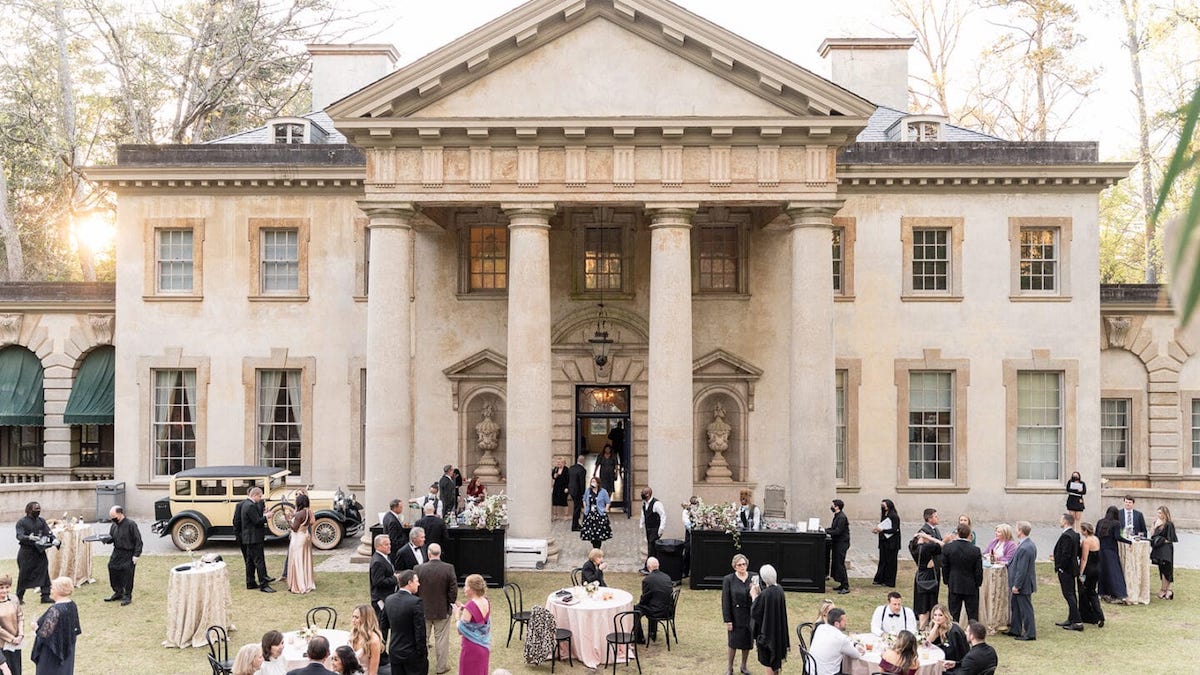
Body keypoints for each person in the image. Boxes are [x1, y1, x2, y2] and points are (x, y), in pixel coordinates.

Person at [415, 543, 457, 675]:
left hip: (423, 610)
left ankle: (421, 667)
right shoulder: (449, 568)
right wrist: (451, 602)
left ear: (428, 554)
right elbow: (453, 589)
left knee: (422, 639)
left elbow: (414, 589)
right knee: (442, 640)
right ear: (440, 553)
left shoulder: (418, 569)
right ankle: (441, 667)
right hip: (442, 610)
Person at [30, 577, 80, 675]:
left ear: (58, 590)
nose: (51, 591)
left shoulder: (55, 610)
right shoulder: (72, 605)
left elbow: (44, 634)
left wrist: (35, 628)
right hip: (67, 648)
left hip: (53, 652)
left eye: (53, 588)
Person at [383, 570, 428, 675]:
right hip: (412, 655)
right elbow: (420, 631)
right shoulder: (416, 602)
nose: (419, 584)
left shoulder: (389, 600)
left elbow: (383, 625)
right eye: (417, 581)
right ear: (409, 582)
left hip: (395, 651)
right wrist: (422, 653)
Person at [749, 564, 788, 675]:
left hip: (767, 633)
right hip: (777, 630)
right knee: (775, 661)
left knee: (769, 662)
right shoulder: (779, 589)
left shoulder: (766, 594)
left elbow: (756, 611)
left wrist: (754, 596)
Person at [234, 487, 275, 593]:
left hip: (249, 538)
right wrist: (267, 517)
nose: (260, 498)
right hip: (254, 538)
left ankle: (250, 582)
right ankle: (263, 585)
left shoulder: (246, 504)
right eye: (260, 496)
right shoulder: (250, 505)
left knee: (250, 561)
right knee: (259, 561)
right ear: (255, 495)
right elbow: (257, 521)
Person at [99, 505, 142, 606]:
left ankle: (127, 595)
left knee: (127, 573)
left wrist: (136, 555)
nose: (112, 519)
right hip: (117, 551)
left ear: (120, 514)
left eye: (114, 516)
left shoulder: (131, 524)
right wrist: (105, 539)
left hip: (128, 552)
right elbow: (112, 538)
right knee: (112, 568)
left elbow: (138, 541)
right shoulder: (114, 525)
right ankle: (118, 592)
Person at [941, 523, 982, 623]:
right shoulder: (975, 550)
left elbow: (945, 566)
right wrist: (978, 583)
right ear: (969, 534)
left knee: (954, 613)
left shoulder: (948, 548)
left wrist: (947, 580)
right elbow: (978, 570)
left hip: (954, 583)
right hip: (971, 585)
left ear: (957, 533)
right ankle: (973, 633)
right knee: (972, 614)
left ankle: (953, 633)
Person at [15, 501, 53, 604]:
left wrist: (53, 539)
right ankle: (19, 597)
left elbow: (48, 533)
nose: (38, 511)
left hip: (40, 552)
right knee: (24, 575)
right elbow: (19, 536)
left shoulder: (41, 521)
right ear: (28, 510)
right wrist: (29, 537)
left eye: (39, 509)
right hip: (26, 553)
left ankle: (45, 596)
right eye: (36, 509)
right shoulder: (21, 522)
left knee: (44, 573)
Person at [721, 554, 753, 675]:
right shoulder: (729, 579)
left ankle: (743, 666)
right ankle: (730, 667)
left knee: (747, 642)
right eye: (739, 565)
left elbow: (759, 595)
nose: (742, 567)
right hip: (735, 615)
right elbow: (725, 601)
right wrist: (728, 620)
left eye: (744, 564)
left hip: (749, 615)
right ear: (734, 566)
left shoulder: (753, 577)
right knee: (733, 642)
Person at [808, 608, 863, 675]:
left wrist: (854, 644)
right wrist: (857, 647)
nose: (846, 623)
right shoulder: (840, 639)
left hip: (811, 671)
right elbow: (856, 655)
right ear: (837, 624)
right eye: (844, 621)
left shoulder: (820, 628)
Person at [1052, 513, 1083, 631]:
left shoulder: (1067, 536)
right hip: (1072, 568)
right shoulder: (1075, 534)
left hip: (1066, 569)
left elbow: (1066, 554)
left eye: (1061, 519)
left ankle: (1077, 621)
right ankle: (1071, 618)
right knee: (1071, 594)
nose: (1060, 521)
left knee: (1069, 595)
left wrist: (1060, 567)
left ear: (1065, 521)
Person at [1007, 521, 1037, 641]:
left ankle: (1030, 633)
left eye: (1017, 529)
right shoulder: (1026, 544)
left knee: (1025, 609)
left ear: (1020, 531)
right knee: (1016, 607)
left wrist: (1017, 585)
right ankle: (1015, 629)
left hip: (1022, 585)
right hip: (1020, 583)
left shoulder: (1025, 547)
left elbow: (1022, 569)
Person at [456, 573, 491, 675]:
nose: (464, 588)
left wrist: (457, 615)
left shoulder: (470, 605)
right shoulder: (486, 601)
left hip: (471, 648)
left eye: (466, 586)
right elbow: (479, 620)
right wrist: (465, 608)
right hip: (484, 647)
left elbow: (460, 629)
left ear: (472, 588)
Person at [632, 557, 672, 643]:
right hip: (668, 609)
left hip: (656, 610)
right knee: (653, 603)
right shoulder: (667, 577)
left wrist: (639, 604)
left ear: (648, 567)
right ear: (658, 566)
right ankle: (652, 632)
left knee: (635, 611)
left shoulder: (647, 580)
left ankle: (639, 638)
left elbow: (645, 599)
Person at [1096, 506, 1130, 602]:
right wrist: (1129, 542)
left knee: (1103, 572)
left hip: (1101, 550)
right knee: (1114, 572)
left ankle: (1102, 592)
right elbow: (1117, 537)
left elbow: (1096, 535)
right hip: (1111, 550)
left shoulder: (1100, 522)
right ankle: (1119, 594)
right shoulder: (1116, 523)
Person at [913, 519, 941, 630]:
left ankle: (924, 625)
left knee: (923, 602)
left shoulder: (918, 547)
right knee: (926, 603)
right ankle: (923, 627)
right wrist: (931, 538)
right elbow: (941, 545)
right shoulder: (928, 547)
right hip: (928, 575)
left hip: (921, 573)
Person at [369, 534, 398, 645]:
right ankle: (380, 653)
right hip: (381, 599)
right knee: (382, 627)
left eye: (389, 544)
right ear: (378, 546)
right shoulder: (377, 561)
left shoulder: (385, 557)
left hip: (388, 596)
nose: (389, 546)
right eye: (386, 544)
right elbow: (378, 582)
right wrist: (395, 579)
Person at [1076, 522, 1104, 628]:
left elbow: (1084, 559)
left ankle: (1089, 615)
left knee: (1084, 591)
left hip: (1088, 570)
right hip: (1097, 568)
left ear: (1085, 531)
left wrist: (1081, 573)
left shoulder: (1086, 542)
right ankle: (1098, 615)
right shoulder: (1096, 539)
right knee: (1092, 592)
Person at [287, 493, 316, 594]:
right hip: (305, 536)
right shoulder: (308, 512)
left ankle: (298, 584)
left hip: (298, 538)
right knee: (305, 560)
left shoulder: (299, 514)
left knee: (297, 560)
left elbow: (294, 529)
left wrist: (288, 521)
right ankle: (307, 581)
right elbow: (310, 522)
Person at [349, 604, 386, 675]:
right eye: (353, 616)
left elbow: (373, 672)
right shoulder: (353, 634)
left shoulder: (373, 640)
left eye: (356, 617)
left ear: (365, 619)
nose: (353, 620)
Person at [1150, 505, 1178, 600]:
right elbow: (1152, 535)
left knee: (1167, 568)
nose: (1159, 515)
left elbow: (1170, 539)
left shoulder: (1168, 524)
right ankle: (1166, 590)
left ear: (1165, 514)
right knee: (1161, 569)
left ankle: (1165, 590)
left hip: (1166, 549)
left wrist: (1160, 540)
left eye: (1160, 513)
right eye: (1158, 512)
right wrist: (1154, 526)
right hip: (1159, 549)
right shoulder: (1156, 522)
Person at [873, 499, 901, 587]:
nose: (883, 507)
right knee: (883, 560)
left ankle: (889, 581)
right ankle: (880, 578)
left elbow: (894, 529)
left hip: (892, 542)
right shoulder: (884, 515)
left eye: (884, 505)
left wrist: (882, 530)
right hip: (884, 541)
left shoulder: (894, 516)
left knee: (891, 562)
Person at [0, 574, 24, 675]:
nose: (4, 590)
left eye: (7, 587)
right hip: (1, 644)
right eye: (1, 588)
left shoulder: (14, 598)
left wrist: (20, 635)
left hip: (15, 644)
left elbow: (20, 616)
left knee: (16, 669)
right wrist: (11, 638)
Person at [579, 479, 612, 550]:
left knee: (599, 531)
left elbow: (608, 502)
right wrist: (585, 508)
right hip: (590, 514)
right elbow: (584, 499)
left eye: (594, 481)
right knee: (591, 531)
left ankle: (597, 548)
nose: (592, 483)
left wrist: (606, 509)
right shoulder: (588, 491)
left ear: (598, 483)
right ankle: (594, 545)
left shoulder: (603, 492)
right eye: (591, 481)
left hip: (599, 514)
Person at [638, 488, 665, 572]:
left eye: (643, 493)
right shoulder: (644, 504)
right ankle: (651, 566)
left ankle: (648, 567)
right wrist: (641, 524)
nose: (641, 494)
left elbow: (663, 516)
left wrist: (661, 529)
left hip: (655, 529)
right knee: (651, 547)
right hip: (648, 528)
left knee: (652, 548)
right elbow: (643, 515)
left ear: (648, 494)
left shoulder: (656, 504)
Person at [828, 499, 851, 594]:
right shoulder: (837, 516)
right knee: (837, 564)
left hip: (842, 543)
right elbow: (833, 528)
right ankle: (841, 584)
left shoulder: (841, 517)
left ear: (837, 507)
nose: (832, 507)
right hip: (837, 543)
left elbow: (838, 531)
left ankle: (845, 585)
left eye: (833, 505)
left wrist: (826, 531)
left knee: (840, 564)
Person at [567, 455, 588, 532]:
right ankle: (574, 526)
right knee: (577, 508)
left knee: (576, 507)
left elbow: (568, 478)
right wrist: (583, 493)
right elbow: (582, 482)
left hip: (571, 490)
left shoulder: (571, 468)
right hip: (578, 491)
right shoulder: (582, 470)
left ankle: (576, 524)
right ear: (583, 461)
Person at [384, 499, 407, 564]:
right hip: (395, 550)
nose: (402, 509)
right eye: (400, 507)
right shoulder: (392, 521)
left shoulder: (387, 515)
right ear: (395, 508)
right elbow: (393, 538)